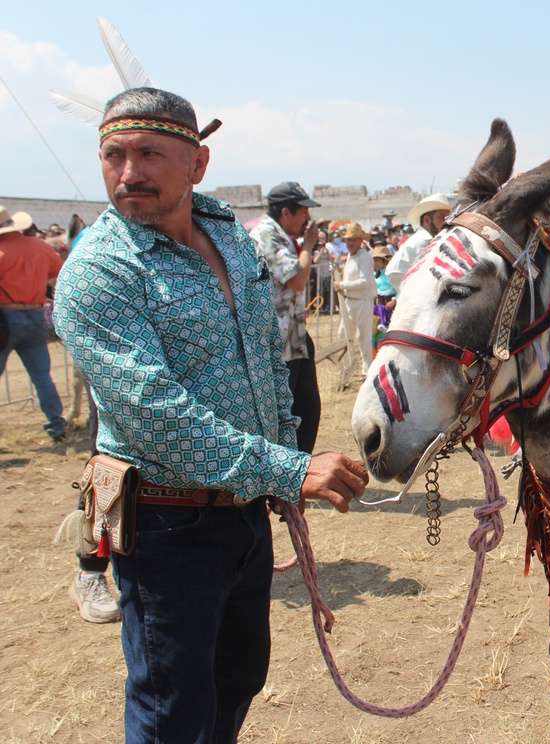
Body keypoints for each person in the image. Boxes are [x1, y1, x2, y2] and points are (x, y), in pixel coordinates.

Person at [52, 87, 369, 743]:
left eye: (150, 154)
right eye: (114, 155)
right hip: (167, 524)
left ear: (197, 165)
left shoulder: (227, 236)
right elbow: (153, 415)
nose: (129, 172)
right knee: (174, 708)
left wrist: (279, 473)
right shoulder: (99, 270)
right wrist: (287, 468)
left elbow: (266, 360)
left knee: (237, 678)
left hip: (244, 515)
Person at [251, 182, 322, 453]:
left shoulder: (280, 234)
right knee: (288, 412)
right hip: (277, 340)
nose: (307, 219)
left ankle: (300, 469)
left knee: (307, 408)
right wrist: (310, 245)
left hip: (293, 336)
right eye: (304, 211)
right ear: (286, 212)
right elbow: (297, 279)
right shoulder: (269, 234)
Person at [0, 205, 67, 443]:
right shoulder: (40, 246)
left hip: (4, 319)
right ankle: (57, 426)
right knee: (42, 376)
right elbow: (57, 273)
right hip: (35, 316)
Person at [385, 193, 452, 291]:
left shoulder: (437, 240)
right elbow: (394, 272)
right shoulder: (417, 243)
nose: (446, 222)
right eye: (442, 217)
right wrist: (415, 294)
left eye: (448, 218)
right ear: (427, 220)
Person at [335, 222, 376, 377]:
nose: (350, 243)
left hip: (363, 301)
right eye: (348, 240)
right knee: (343, 335)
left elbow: (364, 282)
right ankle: (346, 369)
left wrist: (342, 284)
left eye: (353, 239)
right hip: (349, 301)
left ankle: (367, 372)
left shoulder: (365, 257)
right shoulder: (350, 257)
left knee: (363, 336)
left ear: (360, 241)